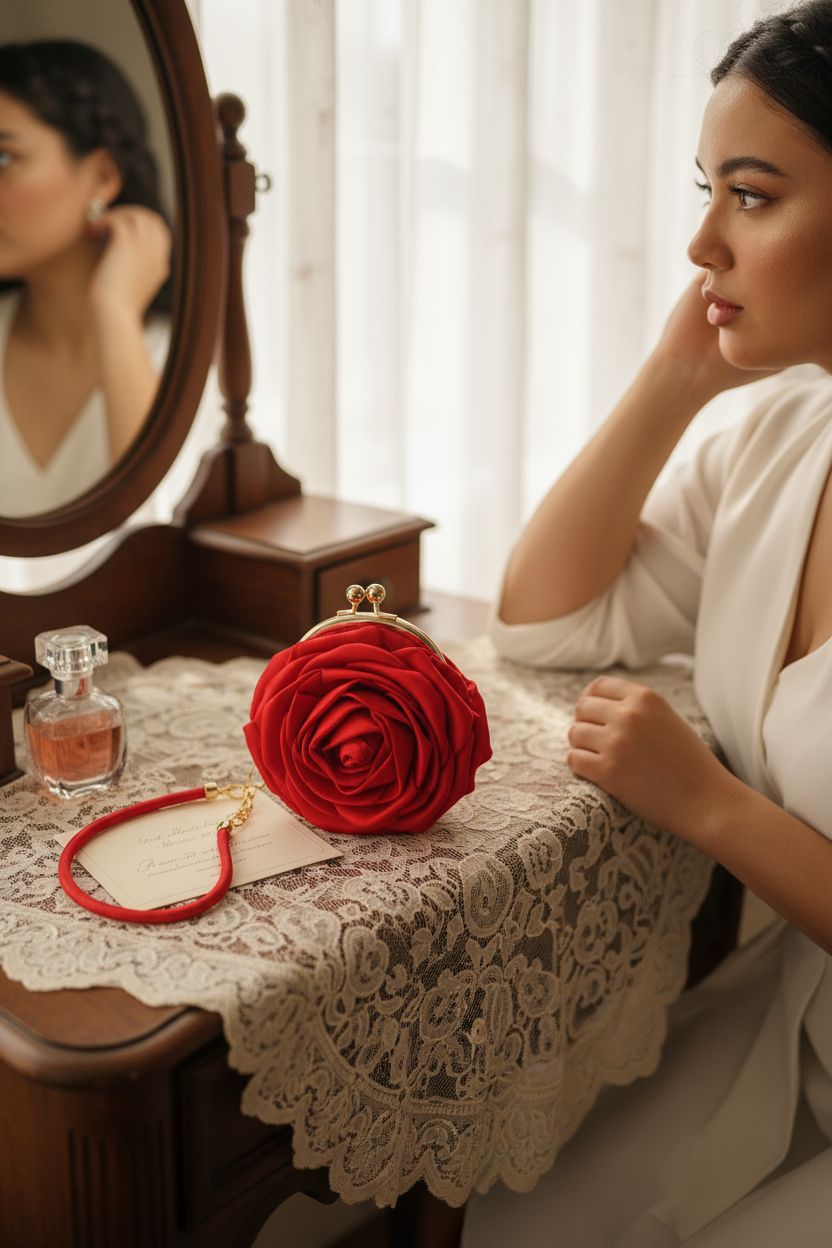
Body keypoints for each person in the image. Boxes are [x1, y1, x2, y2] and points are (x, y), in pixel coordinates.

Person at [463, 3, 832, 1244]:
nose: (700, 244)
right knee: (511, 1218)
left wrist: (713, 806)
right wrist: (675, 380)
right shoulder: (783, 438)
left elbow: (700, 789)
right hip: (794, 1024)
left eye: (751, 196)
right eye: (707, 190)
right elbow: (544, 618)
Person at [0, 39, 171, 517]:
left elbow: (155, 545)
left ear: (102, 177)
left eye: (2, 159)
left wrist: (115, 312)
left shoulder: (187, 357)